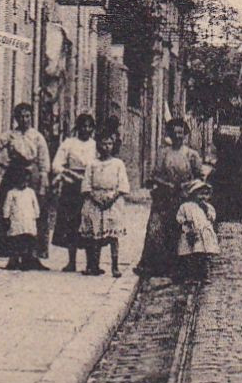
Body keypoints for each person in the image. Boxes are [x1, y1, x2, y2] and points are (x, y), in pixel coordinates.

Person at [136, 118, 205, 277]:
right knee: (156, 228)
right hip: (165, 196)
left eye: (181, 132)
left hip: (184, 197)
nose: (178, 135)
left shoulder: (191, 154)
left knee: (183, 228)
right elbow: (155, 176)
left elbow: (200, 177)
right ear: (170, 134)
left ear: (185, 134)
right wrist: (166, 185)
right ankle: (155, 265)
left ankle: (182, 265)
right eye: (174, 132)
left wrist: (189, 188)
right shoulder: (163, 153)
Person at [0, 104, 49, 262]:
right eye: (21, 116)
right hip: (13, 176)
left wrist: (42, 185)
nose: (24, 119)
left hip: (32, 177)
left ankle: (33, 256)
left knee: (33, 214)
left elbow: (44, 163)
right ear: (15, 118)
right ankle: (12, 255)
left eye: (27, 116)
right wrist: (3, 163)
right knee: (10, 212)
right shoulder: (9, 136)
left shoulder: (37, 137)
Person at [51, 114, 96, 273]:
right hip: (71, 187)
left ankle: (91, 263)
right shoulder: (69, 144)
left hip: (89, 187)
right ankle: (71, 262)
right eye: (83, 126)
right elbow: (56, 165)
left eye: (89, 126)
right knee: (72, 223)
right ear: (78, 127)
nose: (86, 129)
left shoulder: (95, 146)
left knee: (90, 222)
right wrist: (69, 173)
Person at [80, 131, 129, 277]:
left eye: (109, 143)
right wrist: (95, 198)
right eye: (103, 143)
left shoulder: (118, 164)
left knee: (113, 236)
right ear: (98, 145)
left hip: (112, 202)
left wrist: (111, 199)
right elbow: (86, 185)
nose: (106, 146)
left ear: (113, 145)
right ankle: (93, 265)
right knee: (94, 235)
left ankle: (115, 266)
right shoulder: (92, 164)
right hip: (94, 201)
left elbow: (122, 185)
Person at [175, 179, 220, 282]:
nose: (203, 197)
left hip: (203, 234)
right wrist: (185, 222)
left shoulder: (207, 207)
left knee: (203, 256)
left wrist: (208, 213)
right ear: (193, 194)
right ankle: (191, 276)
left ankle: (204, 275)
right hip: (190, 233)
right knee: (190, 256)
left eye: (205, 194)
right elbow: (179, 217)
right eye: (200, 194)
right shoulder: (186, 206)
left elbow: (212, 217)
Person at [3, 173, 44, 271]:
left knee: (28, 240)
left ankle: (27, 262)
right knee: (16, 241)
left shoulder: (30, 192)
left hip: (29, 220)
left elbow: (35, 205)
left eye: (25, 181)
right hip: (16, 220)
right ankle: (14, 261)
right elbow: (7, 206)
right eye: (21, 181)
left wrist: (36, 215)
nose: (23, 184)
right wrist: (6, 216)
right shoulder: (12, 193)